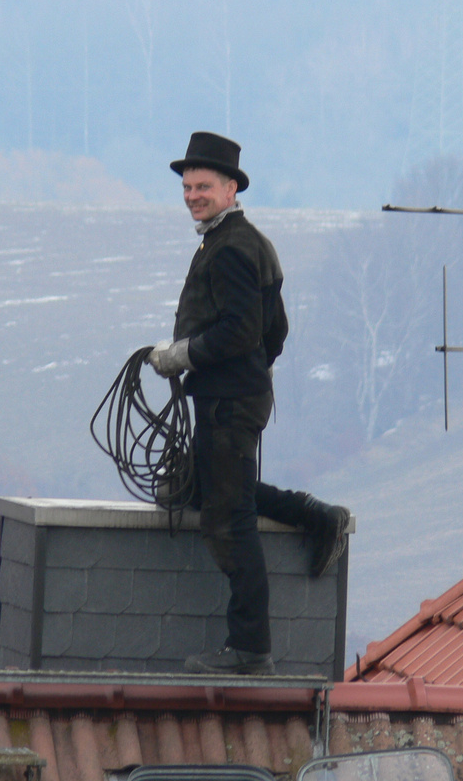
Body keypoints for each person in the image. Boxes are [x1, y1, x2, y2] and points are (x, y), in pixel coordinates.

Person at [148, 131, 351, 676]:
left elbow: (242, 331)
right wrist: (248, 371)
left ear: (231, 188)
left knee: (228, 518)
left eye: (204, 186)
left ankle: (250, 648)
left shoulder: (232, 247)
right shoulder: (238, 241)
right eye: (187, 187)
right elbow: (274, 330)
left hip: (228, 401)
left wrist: (184, 355)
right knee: (219, 490)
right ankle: (317, 515)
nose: (193, 195)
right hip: (234, 396)